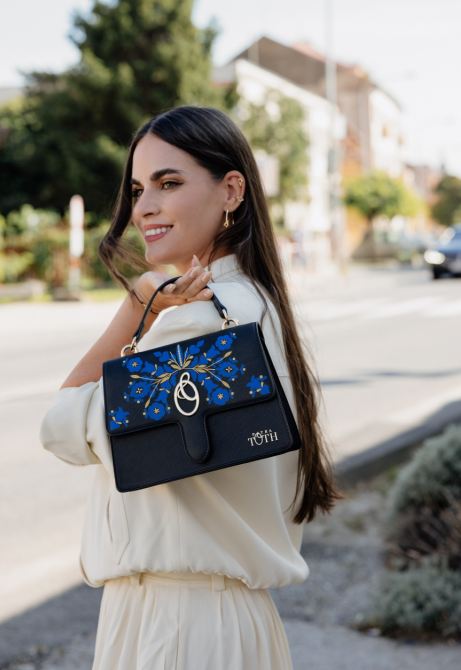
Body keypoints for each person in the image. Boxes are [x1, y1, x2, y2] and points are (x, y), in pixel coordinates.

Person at [40, 105, 341, 670]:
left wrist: (140, 303)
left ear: (232, 191)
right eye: (136, 188)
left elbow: (59, 427)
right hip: (225, 623)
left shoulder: (195, 321)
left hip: (177, 627)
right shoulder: (256, 303)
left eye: (168, 182)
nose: (143, 207)